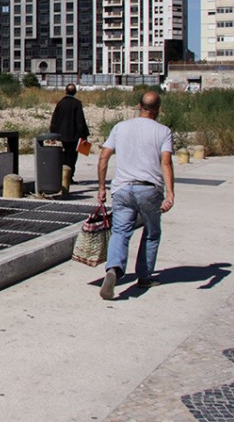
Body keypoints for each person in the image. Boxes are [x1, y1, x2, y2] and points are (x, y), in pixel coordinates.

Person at [96, 91, 175, 300]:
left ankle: (113, 269)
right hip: (149, 190)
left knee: (120, 232)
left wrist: (102, 187)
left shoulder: (120, 127)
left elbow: (103, 157)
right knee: (151, 232)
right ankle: (145, 276)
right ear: (158, 109)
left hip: (122, 189)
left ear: (139, 106)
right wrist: (170, 193)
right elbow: (166, 162)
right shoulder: (163, 131)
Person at [49, 83, 90, 183]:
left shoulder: (60, 103)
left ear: (66, 91)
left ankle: (62, 177)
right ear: (75, 92)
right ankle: (69, 177)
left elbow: (54, 119)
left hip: (61, 136)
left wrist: (52, 133)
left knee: (62, 156)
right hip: (74, 136)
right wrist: (84, 135)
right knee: (72, 157)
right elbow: (80, 120)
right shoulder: (77, 104)